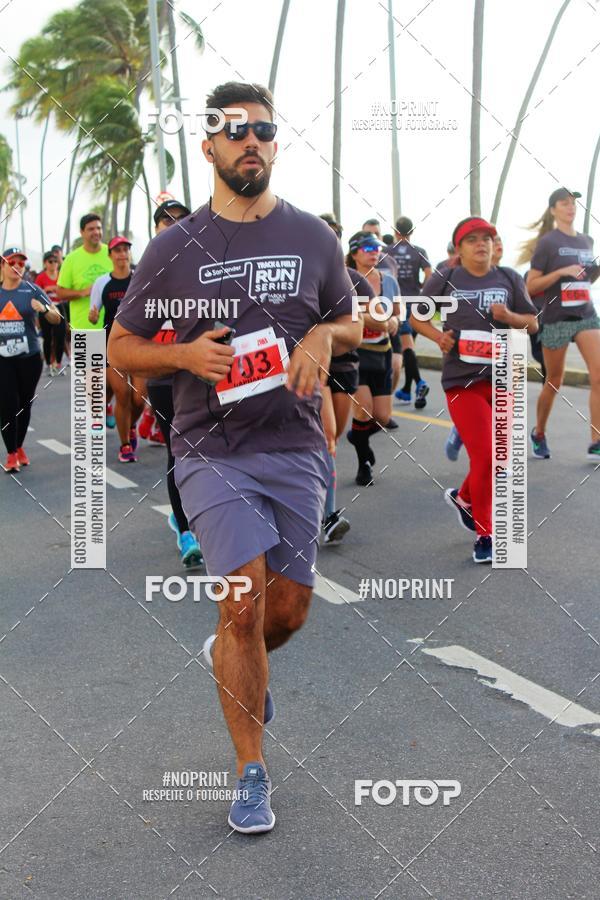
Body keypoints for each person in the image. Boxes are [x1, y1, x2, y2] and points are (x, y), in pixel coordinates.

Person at [109, 81, 361, 834]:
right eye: (234, 131)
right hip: (209, 448)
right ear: (209, 147)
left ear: (276, 143)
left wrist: (320, 337)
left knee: (285, 612)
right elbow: (120, 346)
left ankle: (237, 660)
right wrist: (184, 352)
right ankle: (252, 770)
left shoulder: (313, 236)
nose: (251, 141)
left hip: (294, 443)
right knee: (242, 601)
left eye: (264, 130)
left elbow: (351, 323)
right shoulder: (170, 249)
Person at [413, 217, 538, 563]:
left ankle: (464, 498)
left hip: (502, 377)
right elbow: (417, 317)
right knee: (485, 456)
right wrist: (439, 336)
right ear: (460, 247)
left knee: (496, 459)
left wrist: (509, 315)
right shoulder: (446, 278)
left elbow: (533, 322)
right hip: (461, 379)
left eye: (487, 238)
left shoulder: (509, 277)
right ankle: (487, 534)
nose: (481, 244)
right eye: (473, 240)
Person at [518, 188, 600, 460]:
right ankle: (539, 432)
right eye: (564, 203)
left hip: (586, 314)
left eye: (573, 203)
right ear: (553, 210)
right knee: (554, 381)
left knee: (598, 376)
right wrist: (561, 272)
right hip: (556, 318)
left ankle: (596, 441)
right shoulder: (547, 243)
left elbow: (585, 280)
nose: (571, 207)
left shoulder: (587, 241)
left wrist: (593, 273)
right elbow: (530, 285)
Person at [145, 200, 203, 567]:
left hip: (202, 376)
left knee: (208, 452)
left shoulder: (205, 269)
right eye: (167, 221)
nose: (175, 226)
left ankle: (202, 518)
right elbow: (127, 337)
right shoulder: (145, 274)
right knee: (178, 453)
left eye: (182, 221)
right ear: (156, 230)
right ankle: (185, 531)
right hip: (164, 378)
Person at [345, 231, 399, 485]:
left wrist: (393, 321)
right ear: (354, 253)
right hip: (355, 353)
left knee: (383, 417)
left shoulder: (387, 281)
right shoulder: (344, 279)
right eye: (367, 248)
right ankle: (363, 462)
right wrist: (375, 319)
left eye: (376, 248)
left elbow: (395, 316)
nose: (374, 252)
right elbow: (348, 316)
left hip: (382, 352)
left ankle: (358, 436)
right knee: (364, 410)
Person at [0, 247, 61, 472]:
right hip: (3, 358)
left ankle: (19, 446)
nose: (16, 267)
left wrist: (44, 309)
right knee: (7, 404)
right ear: (3, 266)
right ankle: (11, 453)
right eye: (12, 263)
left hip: (30, 357)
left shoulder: (33, 290)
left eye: (21, 264)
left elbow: (56, 318)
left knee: (24, 405)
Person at [89, 236, 145, 463]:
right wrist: (92, 316)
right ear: (110, 255)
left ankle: (130, 425)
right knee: (122, 394)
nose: (122, 254)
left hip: (140, 344)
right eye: (117, 250)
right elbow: (93, 316)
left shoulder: (140, 278)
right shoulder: (102, 283)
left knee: (139, 399)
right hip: (112, 346)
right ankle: (124, 445)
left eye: (126, 250)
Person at [390, 216, 430, 407]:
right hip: (415, 304)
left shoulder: (387, 251)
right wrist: (421, 287)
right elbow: (430, 276)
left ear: (395, 231)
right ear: (412, 231)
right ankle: (407, 390)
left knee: (405, 348)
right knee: (409, 346)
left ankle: (419, 383)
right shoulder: (419, 251)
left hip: (396, 304)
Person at [35, 251, 67, 376]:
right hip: (45, 309)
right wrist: (46, 290)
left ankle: (58, 363)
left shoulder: (61, 275)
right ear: (45, 263)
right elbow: (36, 294)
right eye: (50, 261)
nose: (53, 264)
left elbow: (64, 291)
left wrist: (57, 290)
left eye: (55, 261)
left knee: (61, 336)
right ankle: (48, 364)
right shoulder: (41, 277)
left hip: (60, 307)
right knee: (47, 338)